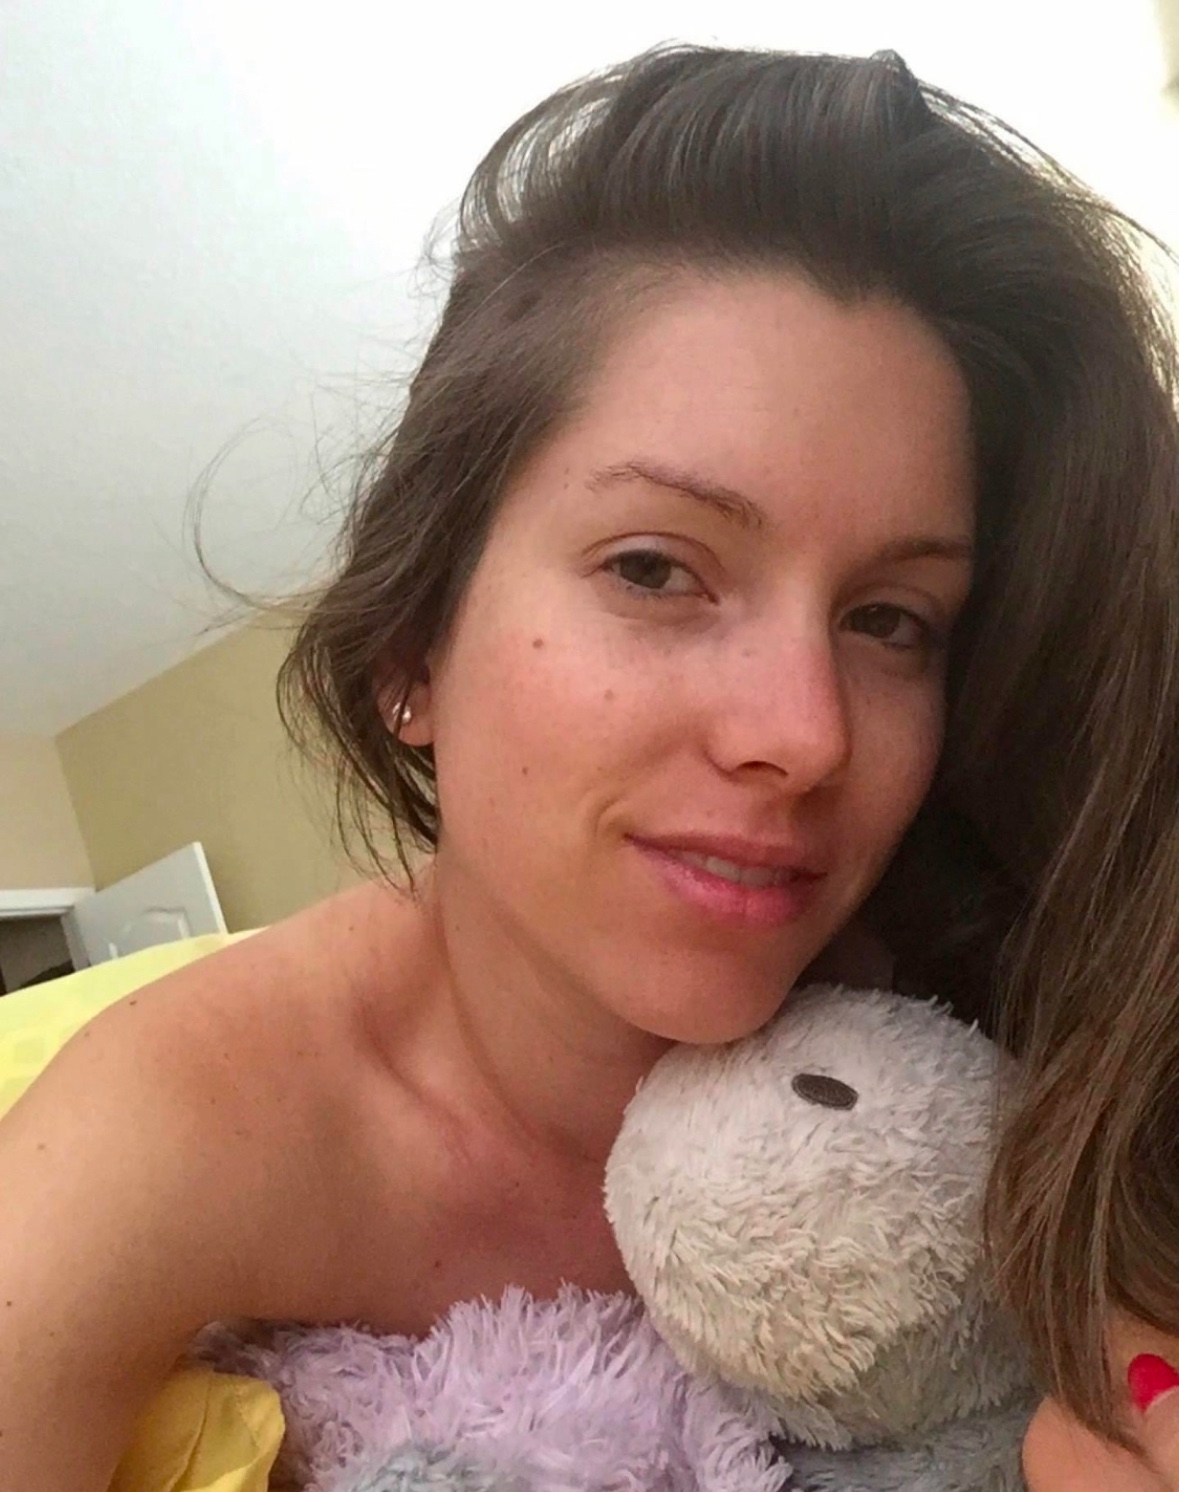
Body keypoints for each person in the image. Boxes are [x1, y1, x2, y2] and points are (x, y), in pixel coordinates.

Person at [1, 43, 1177, 1492]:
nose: (805, 734)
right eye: (656, 569)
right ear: (413, 646)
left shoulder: (996, 998)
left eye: (890, 620)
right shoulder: (177, 1131)